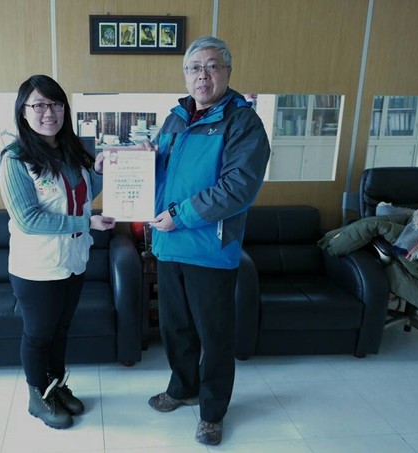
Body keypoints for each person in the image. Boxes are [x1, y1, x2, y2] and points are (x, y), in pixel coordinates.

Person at [146, 36, 271, 446]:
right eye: (194, 67)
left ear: (228, 72)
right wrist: (139, 160)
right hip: (168, 245)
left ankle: (213, 411)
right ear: (185, 75)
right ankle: (182, 387)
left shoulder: (242, 122)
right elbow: (160, 173)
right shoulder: (175, 118)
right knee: (176, 328)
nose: (203, 75)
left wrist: (179, 216)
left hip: (209, 250)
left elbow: (238, 188)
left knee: (214, 336)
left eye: (212, 66)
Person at [0, 74, 116, 430]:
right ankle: (38, 397)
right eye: (39, 105)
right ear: (23, 111)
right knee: (38, 334)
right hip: (37, 266)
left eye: (56, 104)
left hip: (73, 260)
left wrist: (101, 172)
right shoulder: (15, 160)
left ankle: (56, 387)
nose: (49, 112)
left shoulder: (70, 151)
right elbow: (29, 219)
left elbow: (81, 195)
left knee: (61, 329)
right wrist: (85, 223)